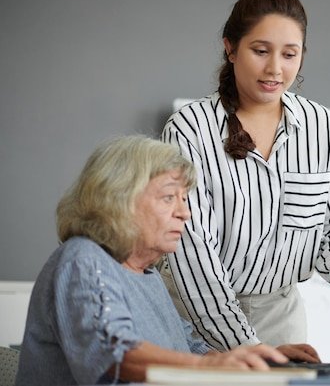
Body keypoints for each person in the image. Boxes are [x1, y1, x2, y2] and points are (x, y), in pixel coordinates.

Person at [160, 0, 330, 361]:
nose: (275, 68)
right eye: (260, 51)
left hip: (281, 319)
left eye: (289, 54)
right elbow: (193, 258)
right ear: (230, 48)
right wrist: (250, 349)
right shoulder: (189, 129)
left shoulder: (322, 128)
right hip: (192, 323)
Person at [14, 136, 288, 386]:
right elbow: (115, 353)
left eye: (184, 199)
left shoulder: (148, 275)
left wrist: (255, 361)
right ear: (118, 199)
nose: (185, 213)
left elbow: (187, 348)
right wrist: (208, 366)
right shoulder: (82, 261)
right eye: (169, 197)